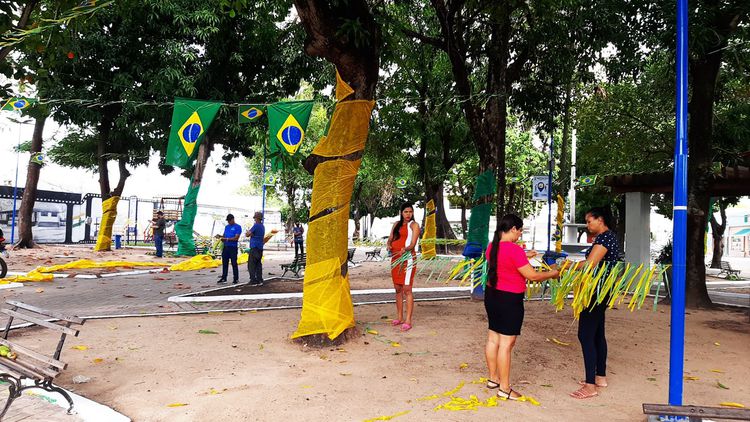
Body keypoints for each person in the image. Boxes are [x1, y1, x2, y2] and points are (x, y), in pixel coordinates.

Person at [484, 214, 559, 400]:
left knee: (493, 338)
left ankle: (493, 379)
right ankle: (505, 388)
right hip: (509, 299)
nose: (519, 235)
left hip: (492, 296)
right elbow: (532, 276)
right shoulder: (514, 250)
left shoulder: (492, 246)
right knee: (506, 344)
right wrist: (552, 273)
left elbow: (505, 260)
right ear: (513, 229)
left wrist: (525, 255)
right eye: (520, 231)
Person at [569, 207, 621, 399]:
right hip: (600, 290)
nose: (587, 225)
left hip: (596, 290)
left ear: (601, 220)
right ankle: (600, 377)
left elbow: (590, 264)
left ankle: (590, 386)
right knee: (598, 333)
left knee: (585, 334)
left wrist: (568, 266)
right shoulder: (607, 237)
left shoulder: (605, 238)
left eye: (589, 221)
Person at [386, 203, 421, 332]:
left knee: (407, 289)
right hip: (395, 259)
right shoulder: (396, 224)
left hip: (407, 259)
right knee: (397, 289)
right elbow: (390, 239)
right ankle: (399, 317)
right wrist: (389, 245)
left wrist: (404, 249)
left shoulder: (414, 225)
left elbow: (412, 244)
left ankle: (408, 320)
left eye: (410, 212)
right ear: (401, 212)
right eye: (405, 212)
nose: (408, 214)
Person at [217, 214, 242, 284]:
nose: (228, 222)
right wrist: (221, 237)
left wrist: (226, 239)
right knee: (225, 263)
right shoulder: (227, 227)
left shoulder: (238, 227)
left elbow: (236, 238)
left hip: (233, 247)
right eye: (228, 221)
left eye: (229, 221)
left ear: (233, 219)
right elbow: (224, 235)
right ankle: (224, 277)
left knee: (234, 263)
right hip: (226, 247)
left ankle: (236, 278)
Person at [246, 211, 265, 286]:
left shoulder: (256, 225)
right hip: (260, 247)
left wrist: (249, 233)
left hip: (254, 247)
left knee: (251, 264)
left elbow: (247, 234)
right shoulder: (262, 226)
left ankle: (253, 279)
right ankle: (259, 279)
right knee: (258, 264)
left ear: (256, 218)